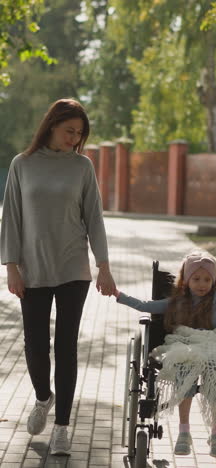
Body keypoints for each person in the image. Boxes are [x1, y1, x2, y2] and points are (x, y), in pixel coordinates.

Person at [0, 98, 116, 456]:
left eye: (79, 133)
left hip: (71, 268)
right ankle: (42, 398)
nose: (74, 138)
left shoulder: (82, 167)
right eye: (70, 130)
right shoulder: (23, 164)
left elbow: (94, 217)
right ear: (51, 125)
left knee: (65, 347)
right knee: (35, 346)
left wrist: (104, 265)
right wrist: (11, 266)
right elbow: (12, 218)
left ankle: (63, 428)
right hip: (32, 269)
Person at [112, 250, 216, 458]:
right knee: (185, 365)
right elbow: (146, 306)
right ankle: (184, 431)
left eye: (207, 279)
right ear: (186, 279)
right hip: (184, 342)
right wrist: (119, 295)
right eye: (197, 279)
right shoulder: (177, 300)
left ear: (215, 280)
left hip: (215, 343)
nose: (202, 284)